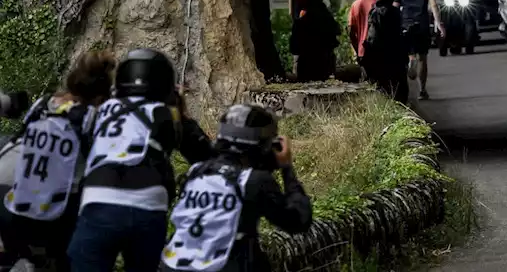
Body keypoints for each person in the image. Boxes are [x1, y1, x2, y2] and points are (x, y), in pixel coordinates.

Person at [68, 48, 214, 272]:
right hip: (148, 204)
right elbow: (204, 155)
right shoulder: (166, 113)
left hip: (99, 199)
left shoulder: (100, 110)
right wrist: (180, 110)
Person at [0, 50, 115, 272]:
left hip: (9, 202)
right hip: (51, 221)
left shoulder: (44, 104)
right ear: (100, 97)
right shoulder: (92, 120)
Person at [161, 104, 311, 272]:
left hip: (170, 265)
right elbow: (298, 220)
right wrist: (287, 168)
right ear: (263, 147)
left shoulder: (196, 172)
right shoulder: (252, 181)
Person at [400, 0, 441, 101]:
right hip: (421, 26)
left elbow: (395, 7)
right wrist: (439, 24)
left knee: (410, 52)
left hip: (406, 25)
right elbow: (434, 6)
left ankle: (411, 61)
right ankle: (422, 90)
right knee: (422, 58)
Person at [364, 0, 408, 103]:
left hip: (377, 62)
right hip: (392, 61)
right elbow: (394, 38)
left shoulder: (374, 11)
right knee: (398, 96)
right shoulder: (392, 13)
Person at [290, 0, 339, 82]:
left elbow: (294, 48)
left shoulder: (301, 22)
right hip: (323, 66)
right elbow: (336, 34)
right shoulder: (326, 18)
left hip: (307, 67)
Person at [348, 0, 378, 68]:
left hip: (362, 52)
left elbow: (350, 31)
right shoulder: (379, 4)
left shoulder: (355, 5)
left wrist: (357, 50)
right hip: (378, 51)